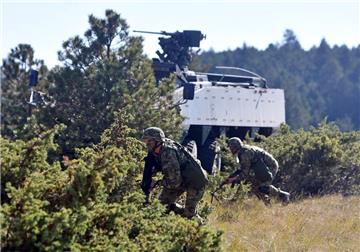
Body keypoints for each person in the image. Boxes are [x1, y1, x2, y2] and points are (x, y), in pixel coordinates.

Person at [141, 127, 208, 219]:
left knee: (189, 216)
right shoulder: (159, 148)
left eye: (150, 142)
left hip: (195, 181)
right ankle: (172, 210)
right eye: (146, 142)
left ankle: (201, 228)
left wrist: (157, 182)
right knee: (161, 207)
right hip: (181, 178)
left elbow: (174, 182)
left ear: (157, 141)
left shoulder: (168, 153)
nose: (147, 144)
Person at [226, 137, 290, 205]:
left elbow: (244, 174)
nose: (230, 149)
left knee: (263, 187)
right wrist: (233, 176)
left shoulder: (245, 154)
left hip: (271, 166)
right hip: (265, 166)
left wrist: (233, 179)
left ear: (234, 147)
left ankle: (283, 195)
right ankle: (268, 204)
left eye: (230, 147)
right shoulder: (243, 151)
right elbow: (242, 169)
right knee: (255, 186)